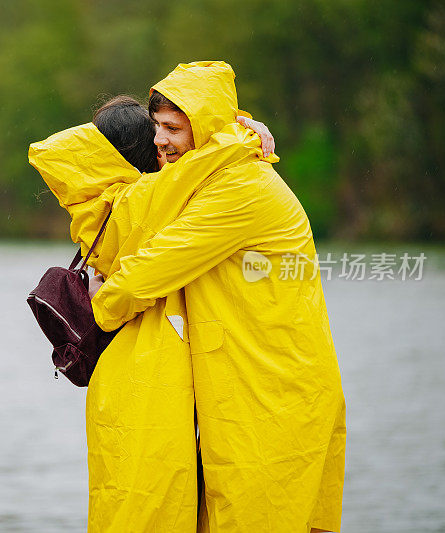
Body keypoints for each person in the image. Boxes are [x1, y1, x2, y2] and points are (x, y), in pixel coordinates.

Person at [29, 61, 345, 532]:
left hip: (273, 390)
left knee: (261, 513)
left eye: (174, 128)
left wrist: (96, 308)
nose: (160, 140)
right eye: (156, 127)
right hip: (239, 385)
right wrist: (241, 127)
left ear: (205, 130)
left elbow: (144, 275)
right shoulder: (198, 182)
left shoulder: (240, 187)